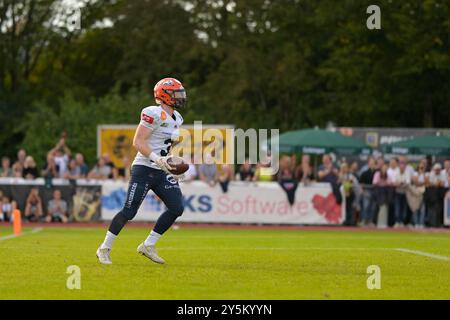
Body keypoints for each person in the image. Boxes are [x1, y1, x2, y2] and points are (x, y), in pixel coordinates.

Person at [96, 77, 187, 265]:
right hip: (144, 168)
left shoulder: (177, 118)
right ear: (164, 95)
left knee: (177, 207)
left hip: (162, 170)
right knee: (129, 211)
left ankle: (148, 245)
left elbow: (166, 146)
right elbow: (138, 142)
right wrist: (158, 159)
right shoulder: (152, 113)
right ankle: (104, 248)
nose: (181, 97)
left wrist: (172, 166)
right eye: (176, 93)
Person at [392, 159, 411, 228]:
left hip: (405, 192)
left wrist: (400, 183)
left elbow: (408, 182)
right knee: (397, 207)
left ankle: (402, 222)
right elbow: (394, 182)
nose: (402, 168)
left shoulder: (407, 172)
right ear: (399, 166)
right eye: (401, 166)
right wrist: (400, 183)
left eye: (403, 167)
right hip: (397, 192)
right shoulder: (396, 172)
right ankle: (397, 221)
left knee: (404, 208)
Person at [359, 157, 377, 226]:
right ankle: (364, 220)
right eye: (370, 163)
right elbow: (360, 183)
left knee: (373, 207)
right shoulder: (364, 173)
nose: (372, 165)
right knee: (366, 206)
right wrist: (363, 191)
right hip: (367, 190)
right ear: (368, 164)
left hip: (374, 191)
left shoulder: (377, 173)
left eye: (373, 163)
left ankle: (370, 221)